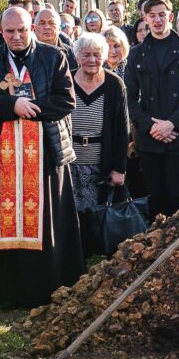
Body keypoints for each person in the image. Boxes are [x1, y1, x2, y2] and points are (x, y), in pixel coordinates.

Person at [0, 6, 84, 307]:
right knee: (6, 218)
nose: (16, 36)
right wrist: (12, 107)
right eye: (10, 31)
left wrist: (29, 108)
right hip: (3, 154)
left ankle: (47, 286)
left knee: (45, 219)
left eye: (22, 30)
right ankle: (9, 290)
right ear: (2, 32)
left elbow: (65, 101)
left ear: (31, 28)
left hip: (45, 151)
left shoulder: (53, 56)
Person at [124, 0, 179, 218]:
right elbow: (130, 98)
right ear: (145, 19)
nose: (157, 20)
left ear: (170, 17)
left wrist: (172, 125)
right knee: (156, 203)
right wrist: (152, 127)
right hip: (150, 141)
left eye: (162, 15)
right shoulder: (136, 53)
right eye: (152, 16)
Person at [70, 32, 129, 258]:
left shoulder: (115, 84)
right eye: (86, 55)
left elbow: (122, 130)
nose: (92, 60)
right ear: (77, 57)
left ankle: (96, 260)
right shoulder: (67, 81)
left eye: (96, 54)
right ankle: (75, 261)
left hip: (100, 164)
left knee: (97, 216)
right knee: (72, 217)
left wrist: (119, 168)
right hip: (71, 162)